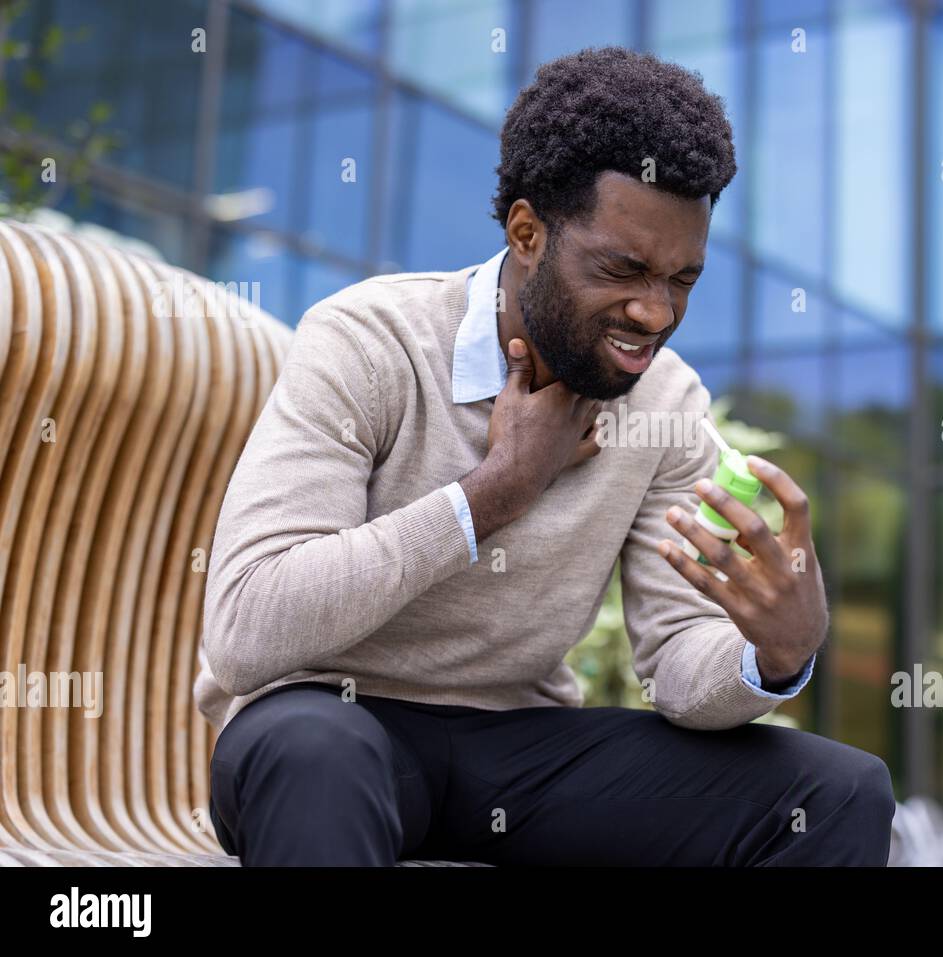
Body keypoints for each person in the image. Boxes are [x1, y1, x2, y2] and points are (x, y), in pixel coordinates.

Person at [195, 46, 895, 866]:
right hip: (325, 727)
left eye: (684, 279)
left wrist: (774, 655)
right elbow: (247, 628)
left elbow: (675, 663)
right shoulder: (371, 341)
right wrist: (495, 491)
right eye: (623, 268)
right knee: (318, 752)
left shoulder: (667, 405)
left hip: (517, 755)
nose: (654, 310)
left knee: (839, 790)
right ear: (527, 231)